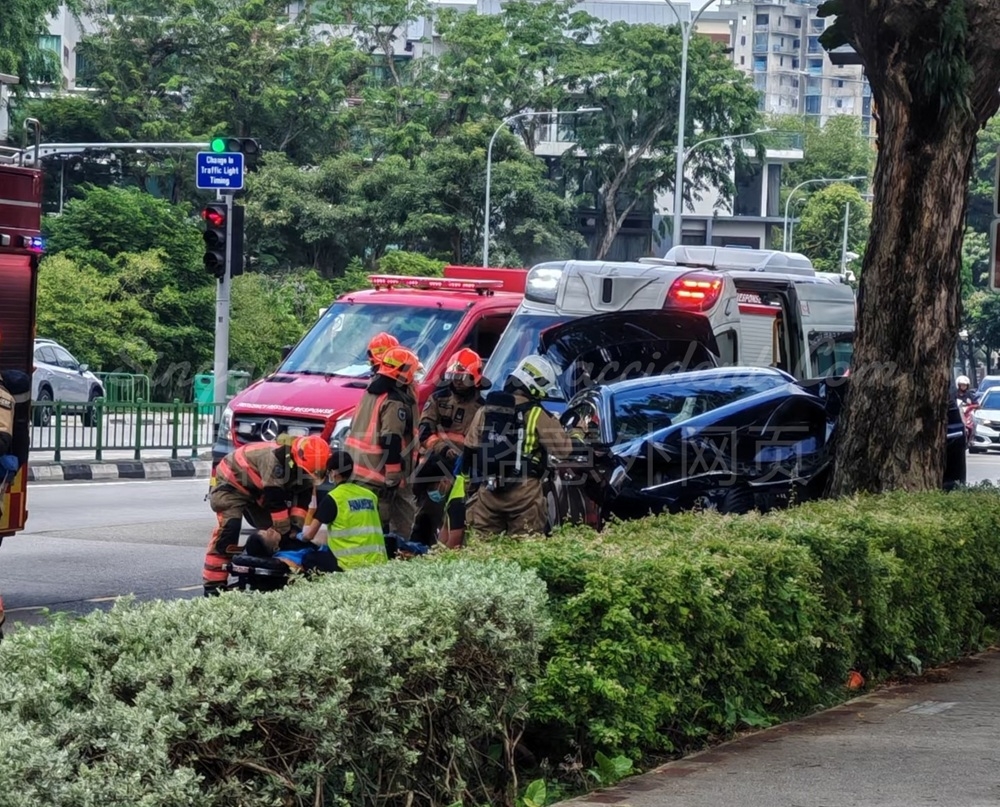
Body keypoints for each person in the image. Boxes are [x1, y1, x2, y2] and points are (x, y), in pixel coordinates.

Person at [462, 354, 579, 538]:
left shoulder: (486, 411)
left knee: (482, 552)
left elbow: (470, 449)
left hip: (489, 492)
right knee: (524, 552)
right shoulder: (536, 414)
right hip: (524, 494)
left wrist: (471, 489)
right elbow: (564, 450)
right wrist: (577, 431)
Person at [202, 434, 331, 595]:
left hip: (258, 489)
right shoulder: (274, 459)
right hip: (232, 484)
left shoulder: (306, 466)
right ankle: (213, 584)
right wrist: (285, 532)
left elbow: (302, 500)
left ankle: (265, 574)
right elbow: (275, 500)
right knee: (229, 530)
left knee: (271, 533)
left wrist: (295, 528)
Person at [411, 348, 490, 546]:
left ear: (475, 379)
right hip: (435, 467)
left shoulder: (482, 407)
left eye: (462, 378)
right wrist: (443, 450)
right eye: (453, 376)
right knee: (427, 515)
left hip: (463, 472)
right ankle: (418, 550)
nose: (456, 381)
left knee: (458, 518)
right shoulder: (438, 399)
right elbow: (425, 431)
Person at [345, 346, 420, 535]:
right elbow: (391, 438)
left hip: (358, 468)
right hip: (379, 473)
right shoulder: (395, 401)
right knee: (379, 523)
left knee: (361, 522)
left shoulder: (371, 392)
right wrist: (393, 472)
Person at [297, 448, 389, 569]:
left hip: (349, 564)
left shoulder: (333, 498)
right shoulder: (370, 495)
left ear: (334, 473)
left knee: (308, 558)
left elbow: (309, 535)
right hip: (378, 562)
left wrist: (298, 536)